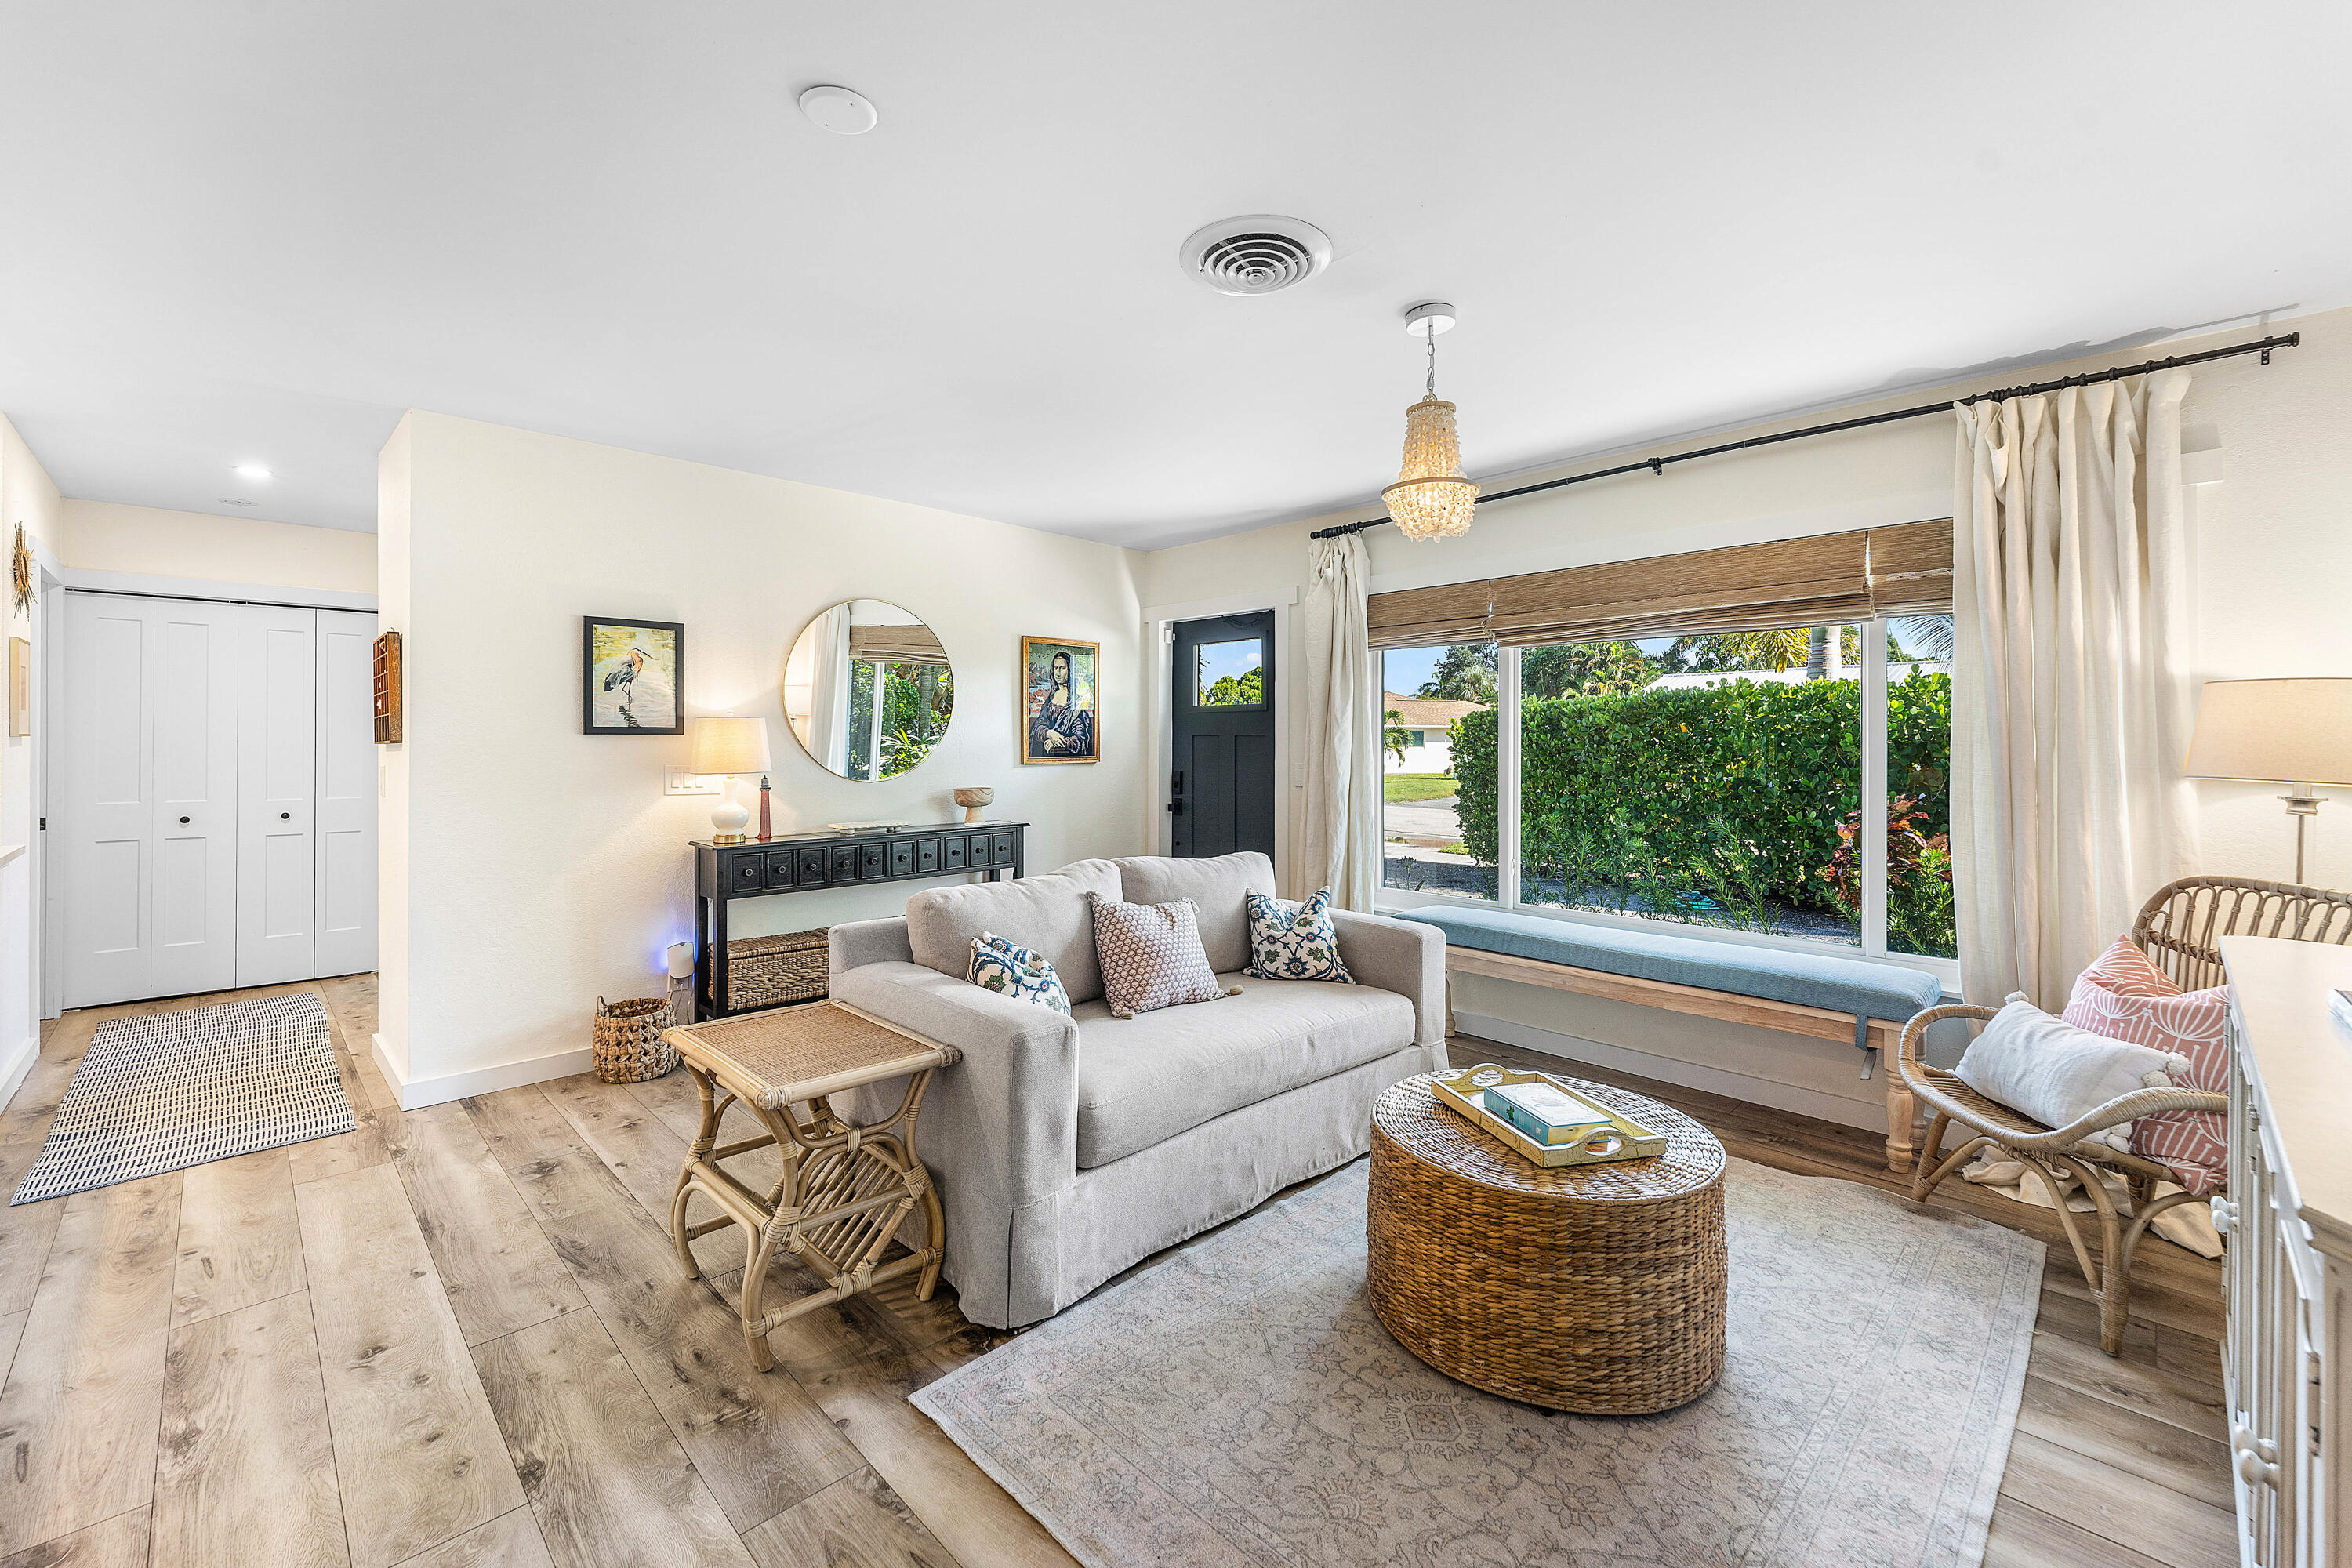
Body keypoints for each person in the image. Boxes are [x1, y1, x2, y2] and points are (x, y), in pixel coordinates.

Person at [1029, 650, 1094, 760]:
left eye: (1062, 668)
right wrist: (1049, 733)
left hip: (1068, 757)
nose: (1058, 673)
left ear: (1070, 670)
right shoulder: (1051, 697)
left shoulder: (1077, 699)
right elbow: (1039, 725)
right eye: (1055, 668)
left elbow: (1081, 738)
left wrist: (1057, 741)